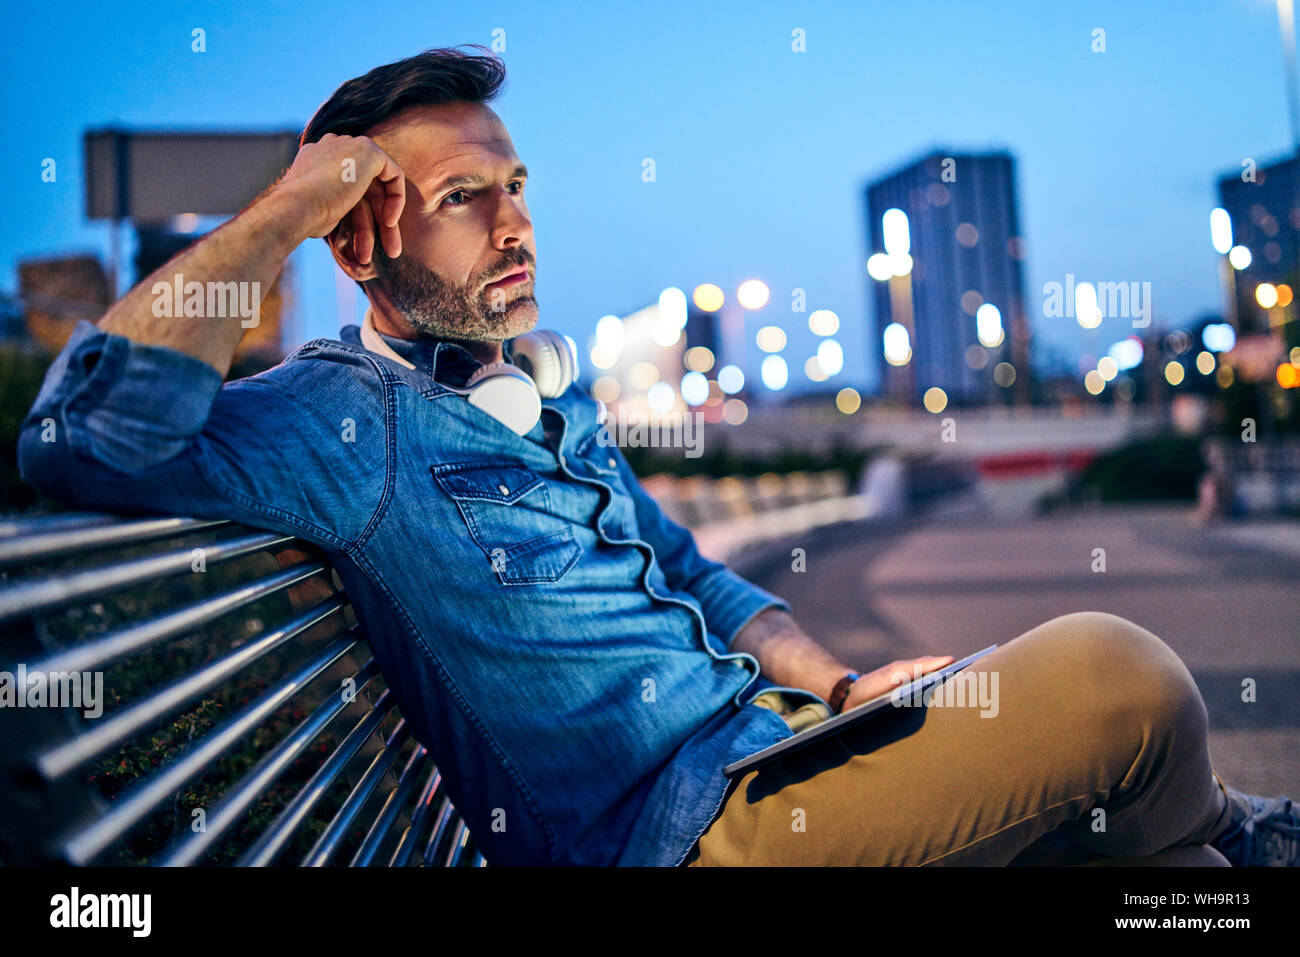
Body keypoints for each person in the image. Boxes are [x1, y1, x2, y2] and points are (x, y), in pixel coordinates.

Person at [17, 46, 1297, 867]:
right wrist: (295, 202)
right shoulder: (331, 425)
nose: (516, 226)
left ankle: (1226, 854)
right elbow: (83, 431)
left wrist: (847, 688)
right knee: (1113, 670)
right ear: (360, 247)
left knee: (1136, 855)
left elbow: (700, 575)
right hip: (687, 837)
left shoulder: (544, 394)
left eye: (515, 187)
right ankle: (1248, 837)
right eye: (465, 199)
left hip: (780, 747)